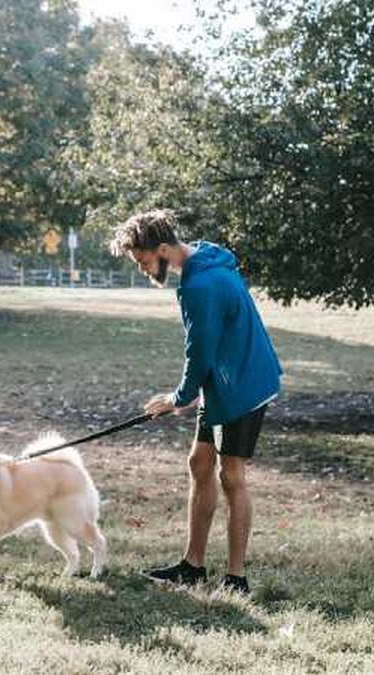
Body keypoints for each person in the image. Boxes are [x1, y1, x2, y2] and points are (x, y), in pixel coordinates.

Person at [108, 209, 282, 595]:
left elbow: (199, 350)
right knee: (199, 462)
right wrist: (189, 395)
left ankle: (236, 579)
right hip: (221, 383)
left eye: (145, 260)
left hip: (243, 384)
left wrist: (178, 398)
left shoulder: (199, 285)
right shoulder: (202, 258)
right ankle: (192, 566)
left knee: (231, 476)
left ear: (165, 248)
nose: (143, 269)